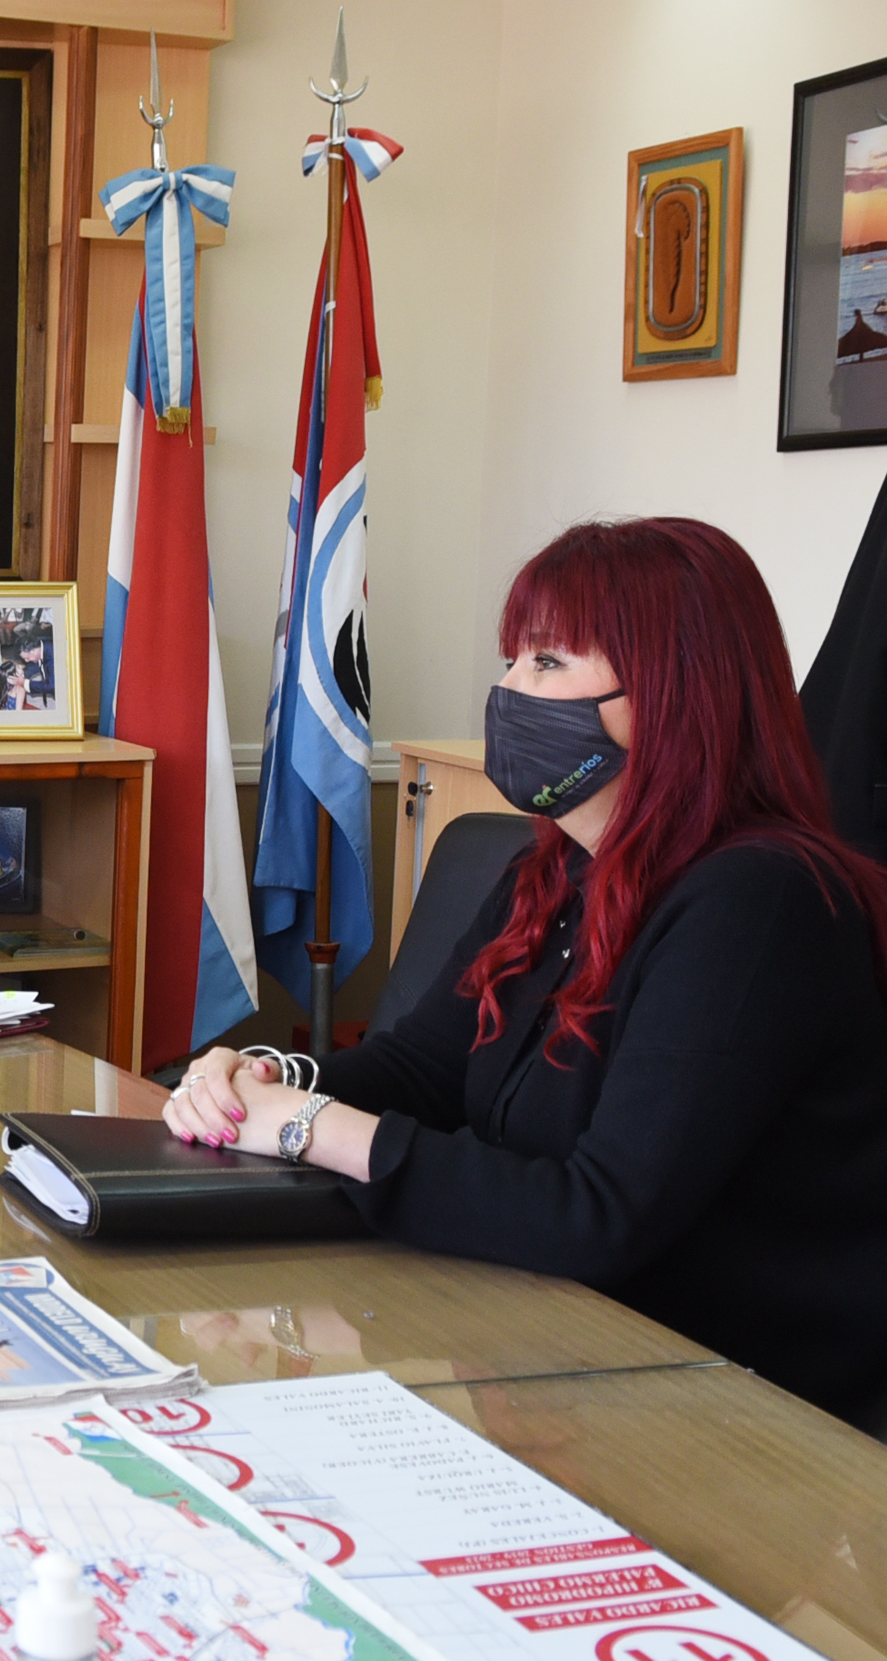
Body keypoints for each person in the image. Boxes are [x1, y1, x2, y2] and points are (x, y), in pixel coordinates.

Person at [165, 518, 887, 1433]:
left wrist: (311, 1128)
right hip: (551, 1349)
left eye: (546, 663)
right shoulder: (551, 866)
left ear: (670, 691)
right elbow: (424, 1068)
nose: (507, 693)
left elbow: (598, 1217)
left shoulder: (759, 900)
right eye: (513, 661)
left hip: (740, 1411)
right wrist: (264, 1078)